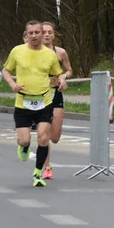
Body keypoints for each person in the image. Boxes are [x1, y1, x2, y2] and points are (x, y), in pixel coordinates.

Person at [2, 20, 65, 188]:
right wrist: (12, 84)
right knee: (24, 140)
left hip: (44, 101)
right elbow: (6, 70)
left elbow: (59, 73)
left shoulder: (49, 54)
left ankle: (38, 173)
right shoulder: (17, 51)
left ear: (42, 33)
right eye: (31, 33)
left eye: (37, 32)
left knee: (44, 138)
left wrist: (62, 81)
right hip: (23, 102)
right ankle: (24, 147)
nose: (35, 36)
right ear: (26, 34)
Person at [39, 22, 73, 180]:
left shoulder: (60, 52)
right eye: (44, 32)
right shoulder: (33, 52)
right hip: (39, 95)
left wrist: (63, 77)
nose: (46, 35)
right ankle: (47, 167)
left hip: (56, 94)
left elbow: (69, 70)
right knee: (44, 134)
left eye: (49, 32)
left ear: (54, 35)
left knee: (55, 137)